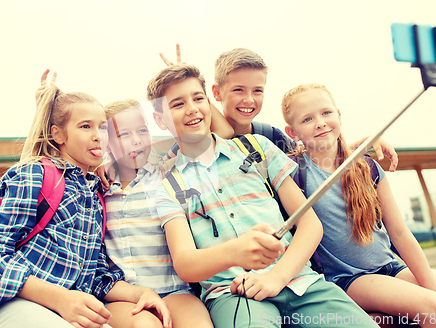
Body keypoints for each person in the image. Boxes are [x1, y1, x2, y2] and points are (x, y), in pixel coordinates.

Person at [147, 63, 382, 328]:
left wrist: (276, 277)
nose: (192, 108)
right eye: (177, 104)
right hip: (234, 295)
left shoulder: (257, 148)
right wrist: (234, 252)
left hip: (301, 283)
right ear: (159, 119)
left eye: (198, 98)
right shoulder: (168, 186)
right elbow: (185, 262)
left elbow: (309, 224)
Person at [0, 82, 171, 328]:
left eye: (103, 127)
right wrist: (60, 299)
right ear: (58, 135)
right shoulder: (36, 174)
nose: (98, 135)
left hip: (64, 309)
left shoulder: (96, 196)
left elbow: (94, 277)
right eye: (85, 127)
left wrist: (140, 293)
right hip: (2, 300)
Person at [281, 83, 436, 328]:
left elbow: (400, 234)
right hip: (348, 279)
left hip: (390, 266)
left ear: (339, 115)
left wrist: (433, 288)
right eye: (307, 119)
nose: (319, 122)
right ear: (292, 132)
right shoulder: (292, 173)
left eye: (326, 113)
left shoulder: (367, 167)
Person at [160, 44, 399, 171]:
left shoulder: (270, 135)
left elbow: (317, 155)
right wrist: (193, 89)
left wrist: (366, 142)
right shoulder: (202, 140)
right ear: (215, 93)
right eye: (238, 90)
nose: (249, 100)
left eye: (257, 91)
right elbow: (227, 135)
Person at [101, 98, 214, 328]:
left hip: (174, 291)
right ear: (107, 143)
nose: (136, 140)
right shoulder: (98, 186)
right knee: (145, 326)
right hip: (124, 296)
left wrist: (179, 81)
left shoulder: (166, 173)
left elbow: (211, 135)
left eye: (142, 131)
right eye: (124, 135)